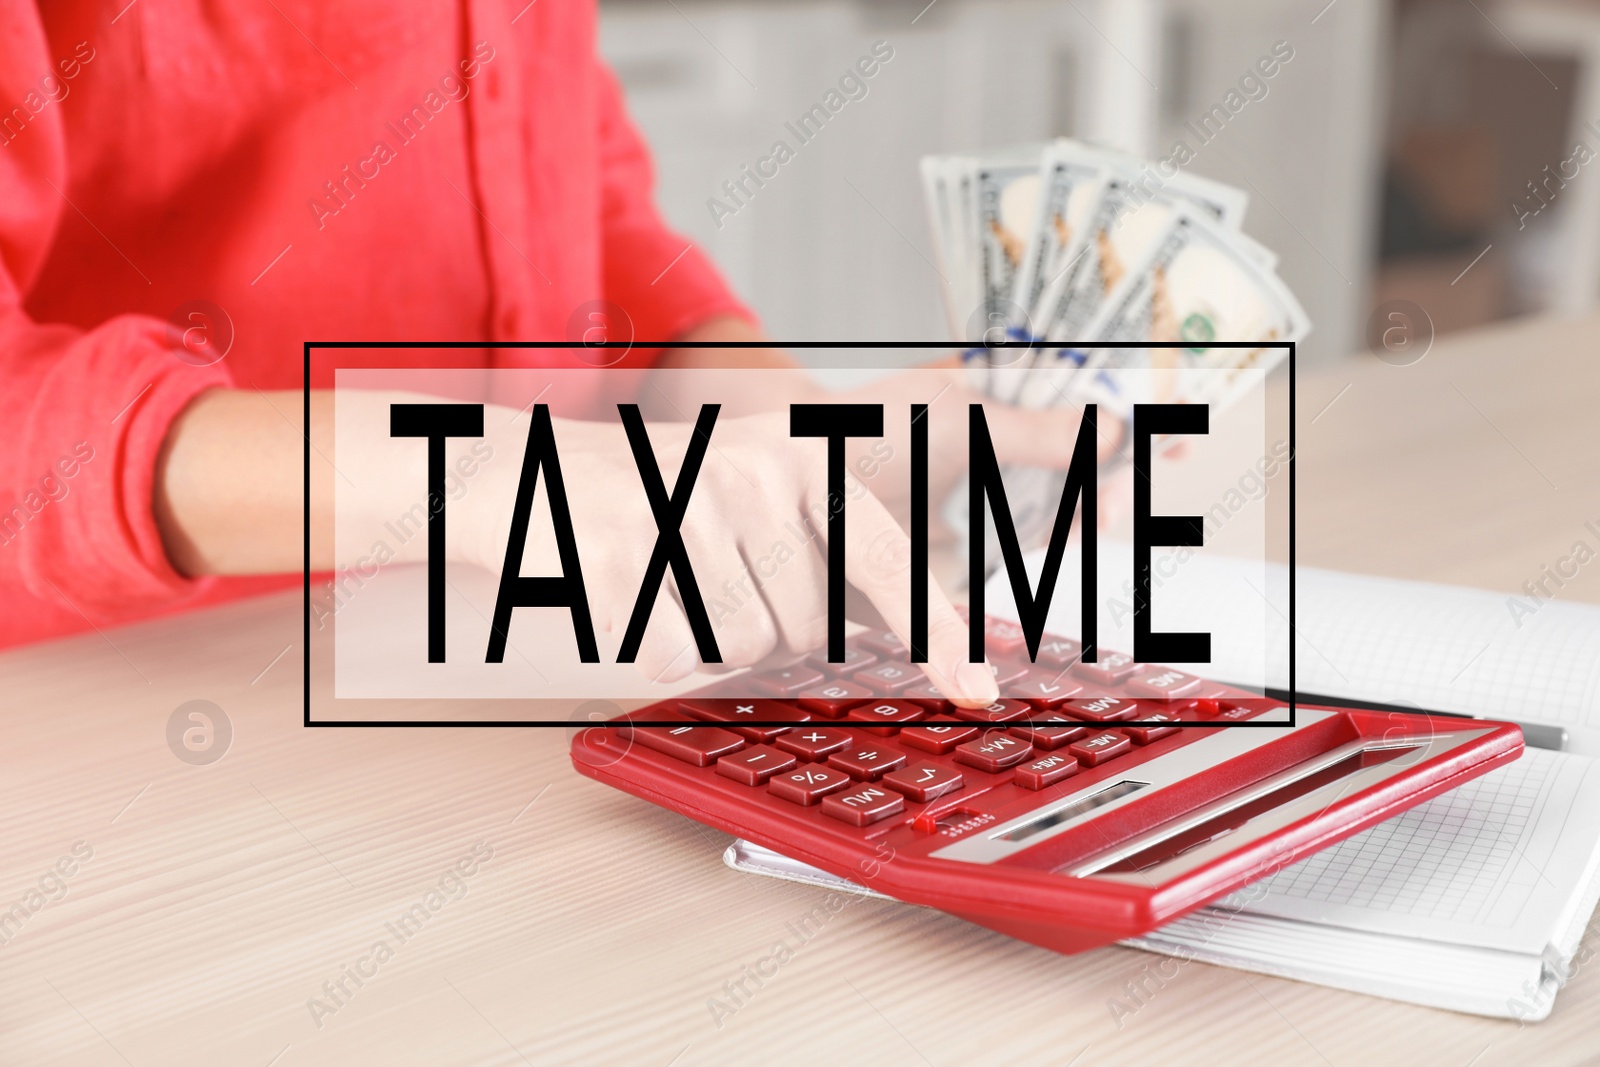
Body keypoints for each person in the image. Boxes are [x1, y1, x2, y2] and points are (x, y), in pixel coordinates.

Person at [0, 0, 1111, 705]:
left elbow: (586, 203)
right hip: (128, 708)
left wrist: (790, 438)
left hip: (493, 680)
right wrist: (470, 473)